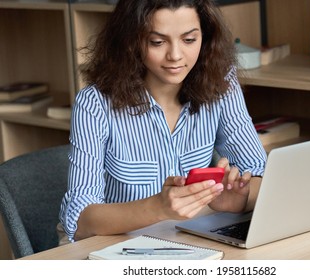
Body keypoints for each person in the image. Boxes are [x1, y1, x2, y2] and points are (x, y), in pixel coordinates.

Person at [59, 0, 266, 243]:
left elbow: (263, 177)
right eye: (157, 42)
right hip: (118, 246)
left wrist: (240, 200)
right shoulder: (95, 104)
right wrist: (158, 207)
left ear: (205, 36)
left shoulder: (222, 84)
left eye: (189, 40)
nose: (175, 56)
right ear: (131, 40)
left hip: (187, 241)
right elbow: (81, 221)